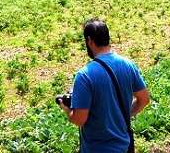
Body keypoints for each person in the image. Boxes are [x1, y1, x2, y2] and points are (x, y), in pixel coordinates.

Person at [58, 19, 150, 153]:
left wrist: (67, 109)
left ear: (89, 41)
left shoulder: (84, 76)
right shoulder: (128, 65)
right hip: (124, 146)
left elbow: (79, 119)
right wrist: (121, 115)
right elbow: (144, 99)